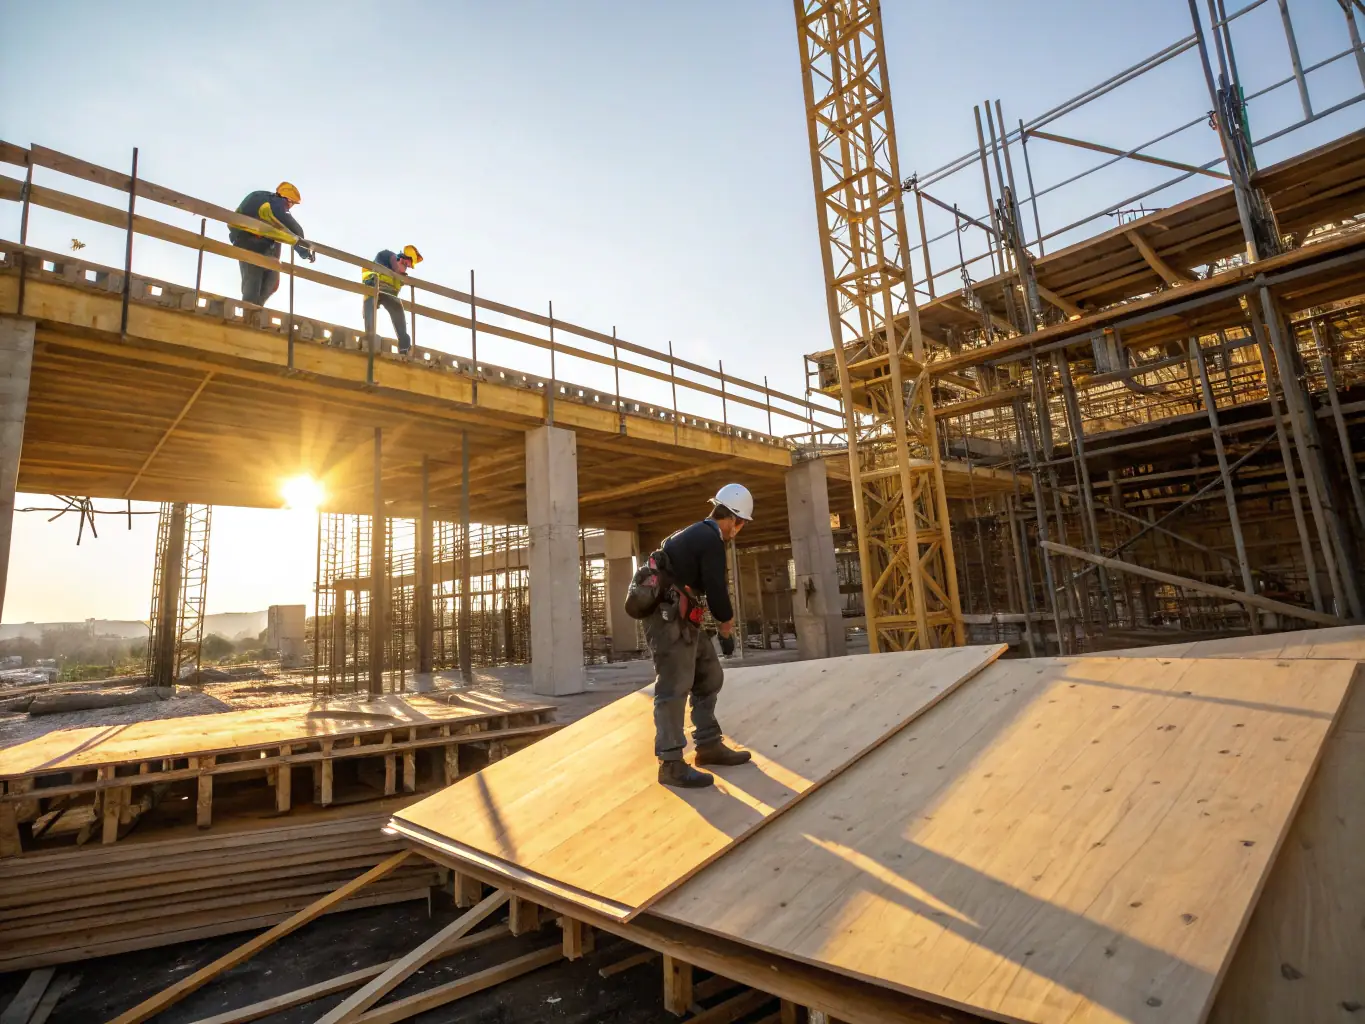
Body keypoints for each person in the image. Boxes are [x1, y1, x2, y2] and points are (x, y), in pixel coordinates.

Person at [649, 483, 756, 789]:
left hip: (682, 619)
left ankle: (708, 745)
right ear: (735, 520)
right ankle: (670, 764)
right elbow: (717, 589)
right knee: (673, 687)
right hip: (668, 620)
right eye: (742, 525)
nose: (740, 530)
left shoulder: (696, 533)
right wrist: (726, 625)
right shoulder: (710, 539)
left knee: (708, 674)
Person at [228, 182, 315, 306]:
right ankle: (249, 312)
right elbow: (295, 229)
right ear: (288, 199)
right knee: (253, 280)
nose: (290, 207)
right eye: (292, 203)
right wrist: (305, 251)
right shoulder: (274, 202)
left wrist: (303, 252)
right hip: (248, 242)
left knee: (272, 282)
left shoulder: (269, 207)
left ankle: (256, 309)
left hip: (263, 245)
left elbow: (288, 233)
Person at [362, 245, 423, 354]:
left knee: (397, 309)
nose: (405, 267)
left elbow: (396, 289)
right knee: (369, 307)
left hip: (387, 292)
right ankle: (370, 337)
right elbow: (391, 260)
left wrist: (401, 276)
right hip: (373, 284)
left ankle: (404, 345)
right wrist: (398, 271)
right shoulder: (387, 255)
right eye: (404, 263)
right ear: (400, 258)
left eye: (407, 266)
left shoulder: (400, 277)